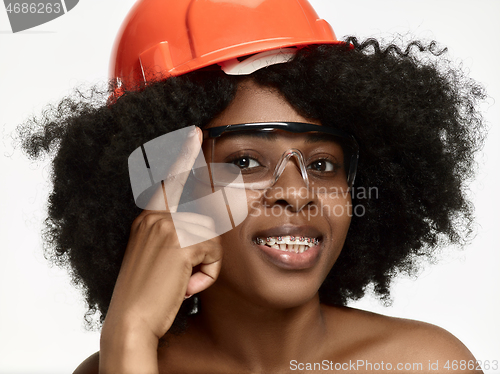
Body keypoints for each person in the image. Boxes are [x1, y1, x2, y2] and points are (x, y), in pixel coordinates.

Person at [16, 0, 488, 373]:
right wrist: (130, 336)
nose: (298, 192)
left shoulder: (424, 364)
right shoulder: (118, 363)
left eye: (323, 164)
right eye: (245, 160)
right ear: (165, 185)